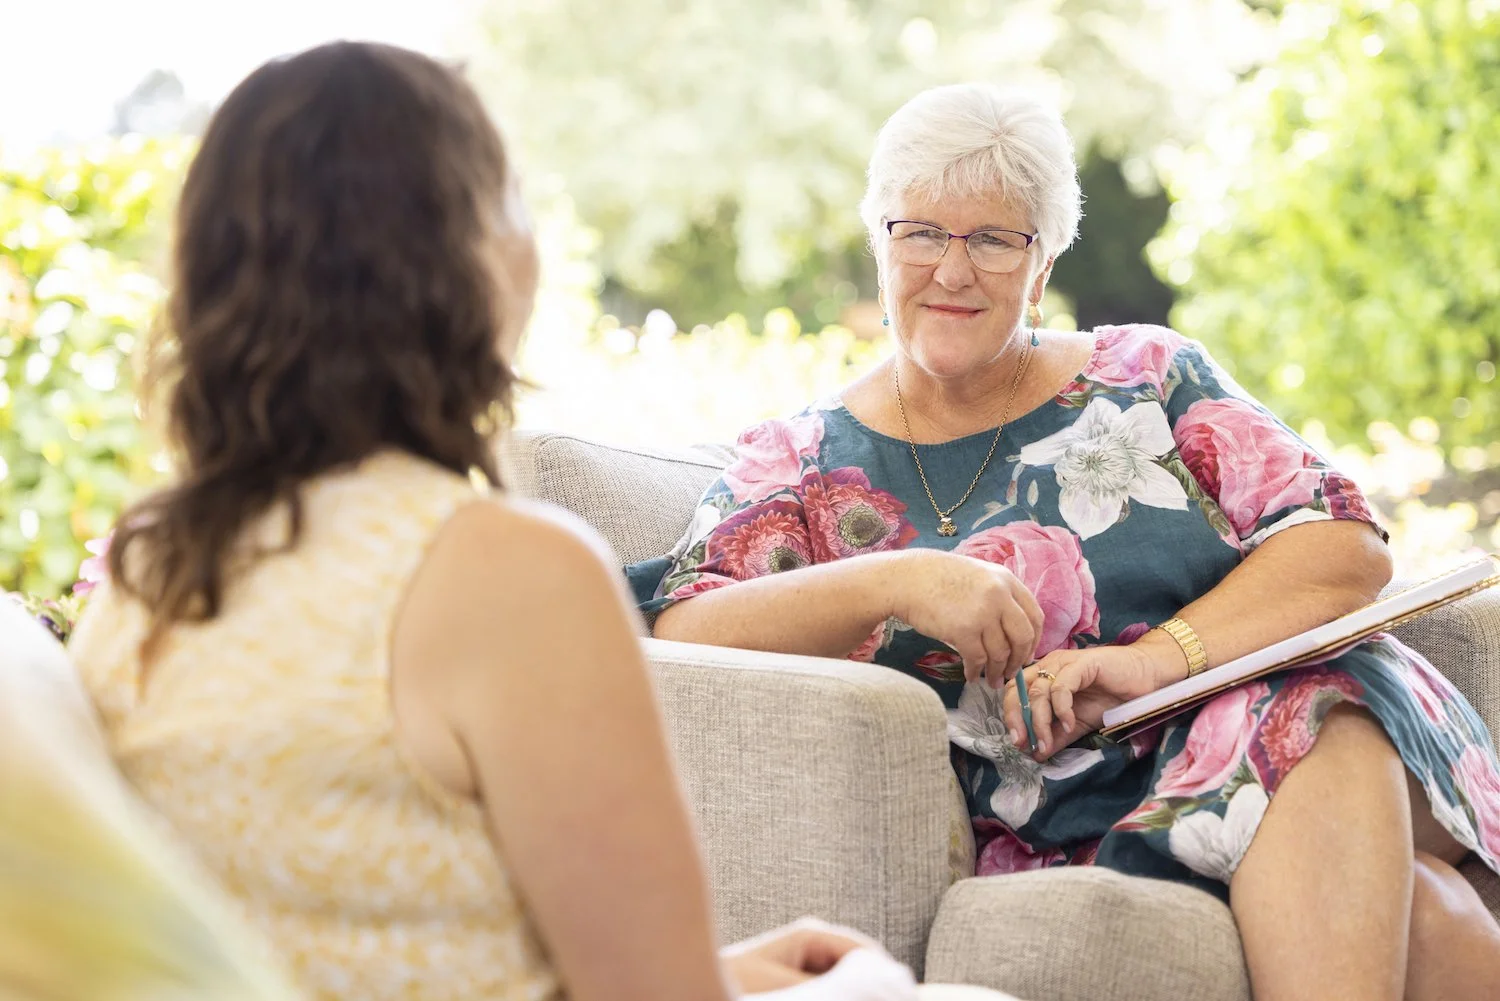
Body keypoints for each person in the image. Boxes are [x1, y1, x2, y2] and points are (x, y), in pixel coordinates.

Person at [67, 42, 920, 1001]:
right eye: (512, 197)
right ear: (454, 260)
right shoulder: (506, 572)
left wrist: (720, 970)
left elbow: (328, 935)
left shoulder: (149, 570)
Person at [631, 83, 1500, 1001]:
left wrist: (1160, 659)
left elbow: (1343, 545)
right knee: (1428, 908)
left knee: (1317, 717)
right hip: (1070, 802)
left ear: (1042, 264)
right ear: (878, 245)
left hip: (1291, 715)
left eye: (995, 240)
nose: (952, 271)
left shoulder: (1148, 375)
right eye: (920, 232)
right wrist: (899, 579)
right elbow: (681, 632)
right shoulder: (802, 461)